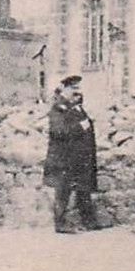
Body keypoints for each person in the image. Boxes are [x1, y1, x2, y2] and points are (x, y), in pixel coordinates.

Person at [44, 76, 101, 234]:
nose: (78, 93)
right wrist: (80, 126)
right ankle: (60, 224)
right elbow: (58, 131)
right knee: (63, 191)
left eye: (78, 89)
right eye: (74, 89)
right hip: (64, 158)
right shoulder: (58, 108)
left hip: (80, 157)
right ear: (65, 89)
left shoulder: (76, 107)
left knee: (84, 189)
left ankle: (88, 221)